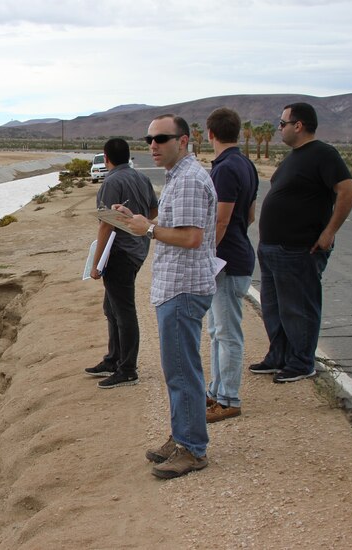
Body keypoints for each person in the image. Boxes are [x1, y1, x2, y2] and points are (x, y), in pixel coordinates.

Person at [115, 114, 217, 479]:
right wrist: (137, 220)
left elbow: (192, 237)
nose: (153, 145)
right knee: (177, 368)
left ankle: (192, 449)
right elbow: (175, 227)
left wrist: (150, 230)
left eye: (161, 138)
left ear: (184, 140)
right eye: (148, 139)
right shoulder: (179, 177)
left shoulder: (189, 180)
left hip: (183, 287)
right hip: (176, 286)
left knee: (182, 370)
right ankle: (182, 437)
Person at [250, 102, 352, 383]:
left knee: (300, 308)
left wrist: (329, 231)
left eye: (282, 123)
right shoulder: (293, 157)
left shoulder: (323, 153)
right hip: (273, 247)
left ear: (298, 125)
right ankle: (279, 356)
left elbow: (348, 189)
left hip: (298, 249)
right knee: (274, 307)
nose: (279, 128)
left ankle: (301, 362)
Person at [85, 138, 158, 389]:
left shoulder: (112, 182)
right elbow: (153, 211)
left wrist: (96, 264)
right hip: (138, 250)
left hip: (119, 254)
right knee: (111, 307)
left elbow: (106, 223)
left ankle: (127, 369)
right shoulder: (142, 178)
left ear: (106, 158)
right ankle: (113, 358)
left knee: (124, 310)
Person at [204, 108, 258, 422]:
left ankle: (228, 399)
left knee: (226, 333)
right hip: (237, 254)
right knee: (217, 330)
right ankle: (215, 391)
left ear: (210, 134)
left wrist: (205, 258)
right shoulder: (246, 164)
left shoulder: (224, 169)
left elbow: (220, 220)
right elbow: (249, 215)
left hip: (226, 261)